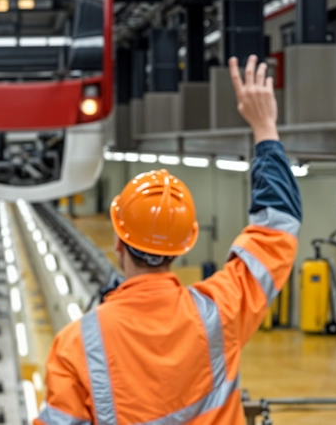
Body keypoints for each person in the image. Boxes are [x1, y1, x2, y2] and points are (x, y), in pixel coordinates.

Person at [37, 55, 301, 424]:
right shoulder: (220, 312)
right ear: (185, 244)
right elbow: (278, 226)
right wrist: (265, 129)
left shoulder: (77, 344)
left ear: (117, 241)